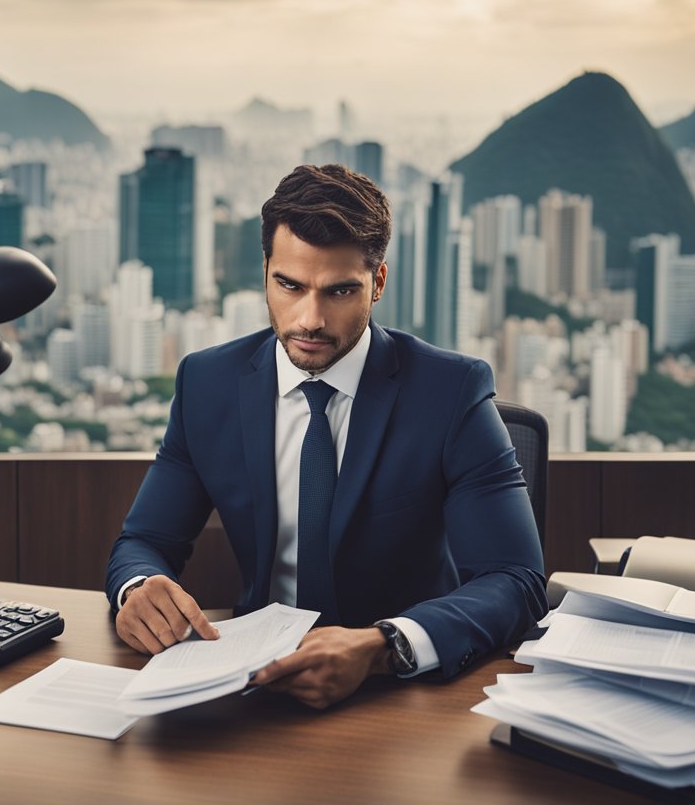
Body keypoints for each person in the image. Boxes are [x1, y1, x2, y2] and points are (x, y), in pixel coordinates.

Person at [105, 164, 546, 709]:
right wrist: (138, 587)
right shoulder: (208, 383)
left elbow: (516, 579)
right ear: (265, 271)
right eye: (289, 285)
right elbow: (143, 541)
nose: (309, 319)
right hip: (252, 685)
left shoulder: (451, 392)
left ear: (377, 283)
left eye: (339, 291)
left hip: (399, 695)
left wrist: (384, 646)